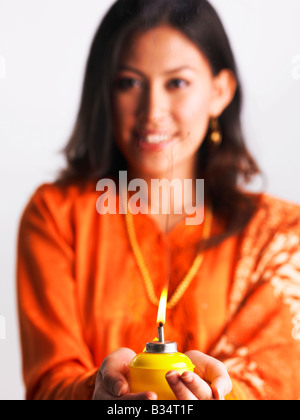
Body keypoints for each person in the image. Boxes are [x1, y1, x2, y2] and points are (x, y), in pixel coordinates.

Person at [17, 0, 300, 400]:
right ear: (105, 92)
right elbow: (49, 382)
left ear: (220, 91)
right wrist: (96, 392)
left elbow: (276, 381)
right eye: (129, 82)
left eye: (177, 83)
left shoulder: (280, 235)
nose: (153, 112)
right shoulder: (58, 217)